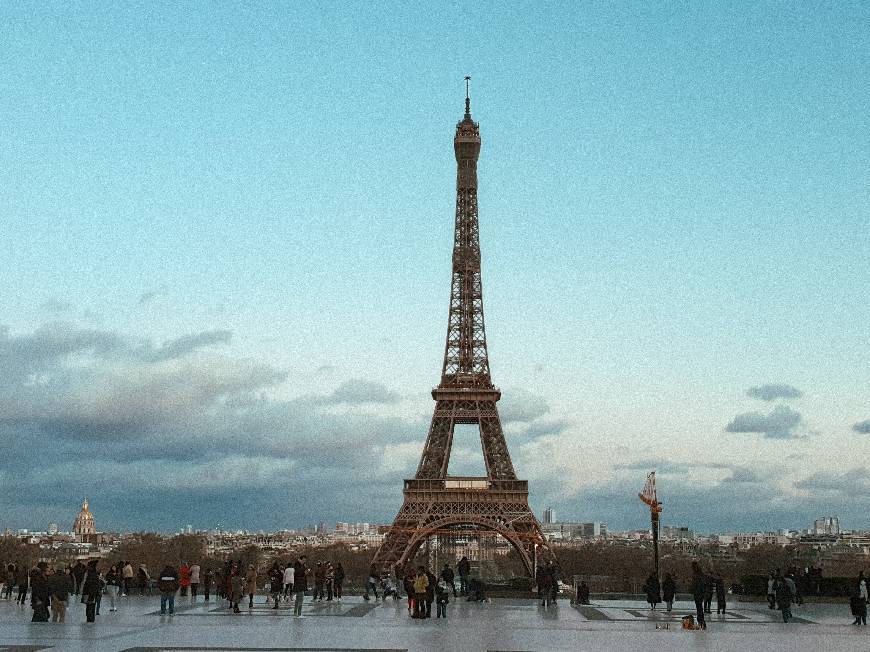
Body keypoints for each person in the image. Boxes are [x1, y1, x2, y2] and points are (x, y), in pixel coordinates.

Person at [690, 562, 707, 630]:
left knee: (699, 607)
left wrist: (693, 589)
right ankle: (701, 621)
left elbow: (695, 584)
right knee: (699, 607)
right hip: (700, 592)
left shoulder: (696, 575)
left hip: (698, 592)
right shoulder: (700, 574)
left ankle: (701, 621)